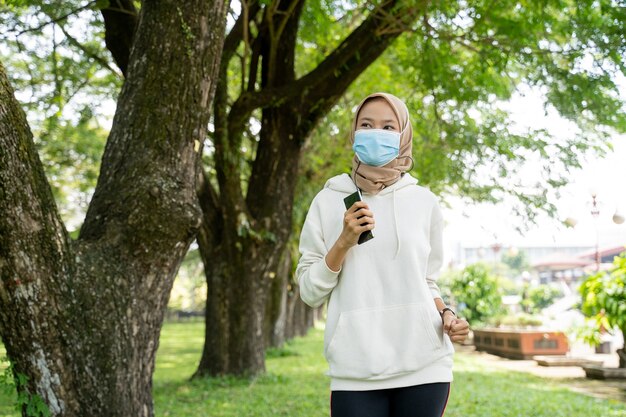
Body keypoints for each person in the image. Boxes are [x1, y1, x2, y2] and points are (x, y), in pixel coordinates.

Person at [295, 92, 470, 417]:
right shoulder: (328, 200)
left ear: (403, 135)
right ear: (353, 133)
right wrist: (343, 241)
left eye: (389, 126)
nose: (377, 133)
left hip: (424, 368)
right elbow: (309, 292)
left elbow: (426, 280)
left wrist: (447, 314)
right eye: (367, 124)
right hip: (355, 370)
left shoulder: (424, 201)